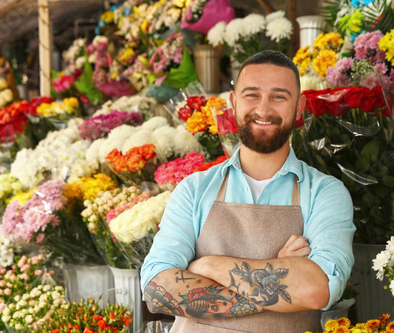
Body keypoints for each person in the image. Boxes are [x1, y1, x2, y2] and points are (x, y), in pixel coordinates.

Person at [140, 49, 355, 333]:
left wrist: (207, 266)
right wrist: (280, 275)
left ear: (299, 107)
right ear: (233, 103)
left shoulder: (326, 193)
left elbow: (318, 289)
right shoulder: (194, 189)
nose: (263, 110)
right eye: (251, 94)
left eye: (279, 96)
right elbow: (156, 288)